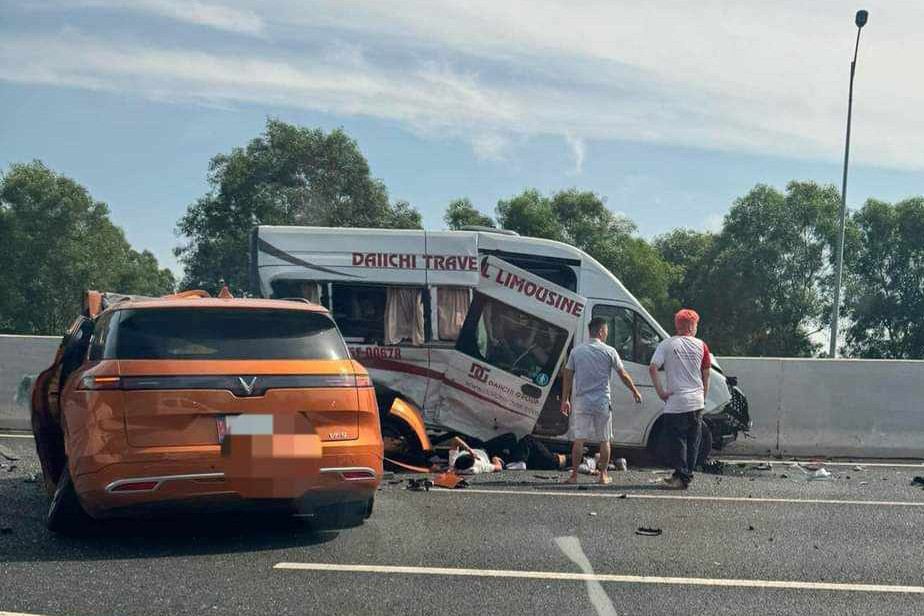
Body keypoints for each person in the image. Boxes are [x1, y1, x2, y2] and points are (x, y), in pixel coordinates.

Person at [561, 317, 643, 484]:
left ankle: (574, 475)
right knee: (605, 440)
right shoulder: (609, 351)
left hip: (582, 400)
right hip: (602, 401)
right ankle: (603, 475)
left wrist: (565, 399)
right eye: (605, 331)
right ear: (599, 331)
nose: (606, 334)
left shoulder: (577, 351)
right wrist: (634, 390)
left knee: (579, 439)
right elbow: (623, 375)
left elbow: (568, 375)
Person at [648, 309, 711, 490]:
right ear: (691, 326)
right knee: (693, 442)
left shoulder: (667, 344)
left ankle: (682, 477)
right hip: (696, 401)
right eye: (696, 324)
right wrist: (703, 397)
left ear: (678, 325)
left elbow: (653, 368)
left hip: (676, 402)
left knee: (677, 441)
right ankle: (683, 475)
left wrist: (661, 392)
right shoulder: (702, 346)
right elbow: (706, 375)